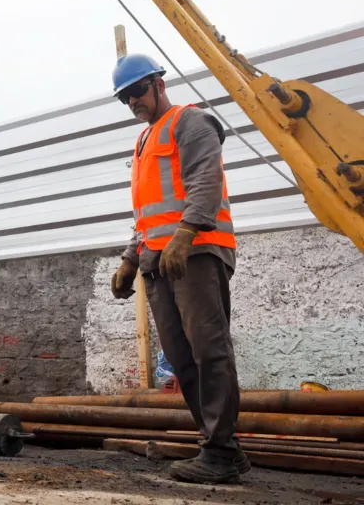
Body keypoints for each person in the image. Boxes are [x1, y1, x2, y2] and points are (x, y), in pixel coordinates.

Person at [109, 53, 249, 484]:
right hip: (157, 261)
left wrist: (186, 235)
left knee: (209, 349)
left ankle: (221, 451)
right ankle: (219, 447)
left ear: (158, 83)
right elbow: (147, 215)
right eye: (124, 98)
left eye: (137, 91)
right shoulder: (143, 141)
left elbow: (205, 180)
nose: (133, 101)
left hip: (198, 254)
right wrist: (130, 259)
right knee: (181, 357)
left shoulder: (191, 123)